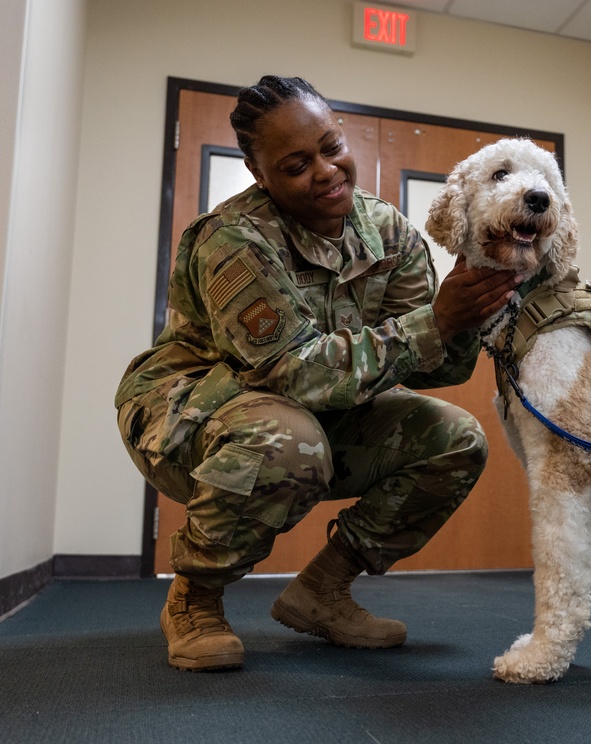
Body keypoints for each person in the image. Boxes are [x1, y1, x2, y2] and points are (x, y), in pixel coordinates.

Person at [115, 75, 520, 672]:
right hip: (188, 412)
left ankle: (321, 591)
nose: (327, 171)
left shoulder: (387, 233)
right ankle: (195, 596)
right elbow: (293, 373)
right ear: (260, 174)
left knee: (456, 438)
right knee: (290, 440)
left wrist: (475, 305)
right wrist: (433, 324)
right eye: (297, 164)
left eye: (332, 147)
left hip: (308, 411)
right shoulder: (233, 240)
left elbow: (438, 366)